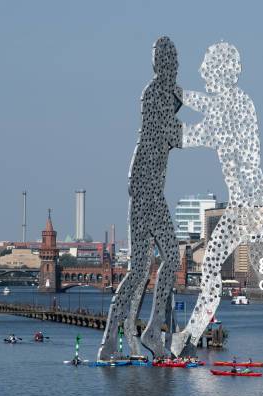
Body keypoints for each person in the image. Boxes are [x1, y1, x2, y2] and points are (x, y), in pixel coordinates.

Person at [170, 42, 263, 364]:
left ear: (223, 72)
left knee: (212, 263)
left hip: (245, 205)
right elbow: (207, 107)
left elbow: (198, 133)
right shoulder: (234, 102)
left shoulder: (233, 105)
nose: (203, 72)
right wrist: (179, 94)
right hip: (251, 202)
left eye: (208, 68)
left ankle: (190, 337)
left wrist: (168, 116)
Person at [98, 36, 182, 361]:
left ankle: (118, 341)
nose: (173, 67)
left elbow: (181, 106)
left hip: (149, 188)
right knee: (161, 261)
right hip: (146, 186)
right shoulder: (155, 94)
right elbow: (173, 134)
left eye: (174, 62)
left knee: (142, 267)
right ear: (159, 63)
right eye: (168, 61)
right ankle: (148, 332)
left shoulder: (166, 92)